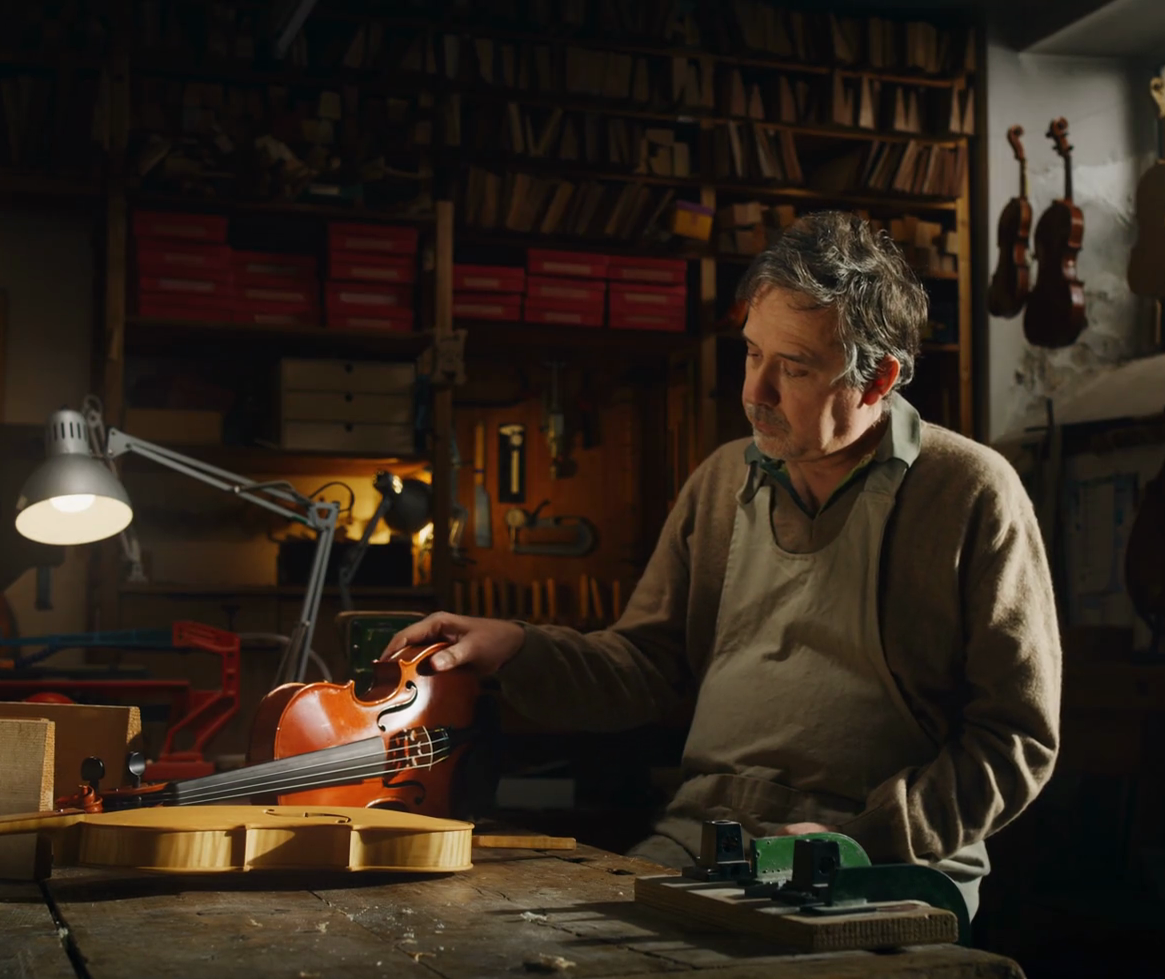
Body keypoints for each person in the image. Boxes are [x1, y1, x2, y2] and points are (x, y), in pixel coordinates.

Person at [383, 211, 1062, 918]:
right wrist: (515, 646)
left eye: (793, 368)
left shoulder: (969, 492)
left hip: (883, 862)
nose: (755, 393)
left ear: (877, 379)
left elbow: (1016, 740)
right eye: (751, 354)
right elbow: (644, 666)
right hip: (707, 838)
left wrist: (865, 840)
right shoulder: (720, 481)